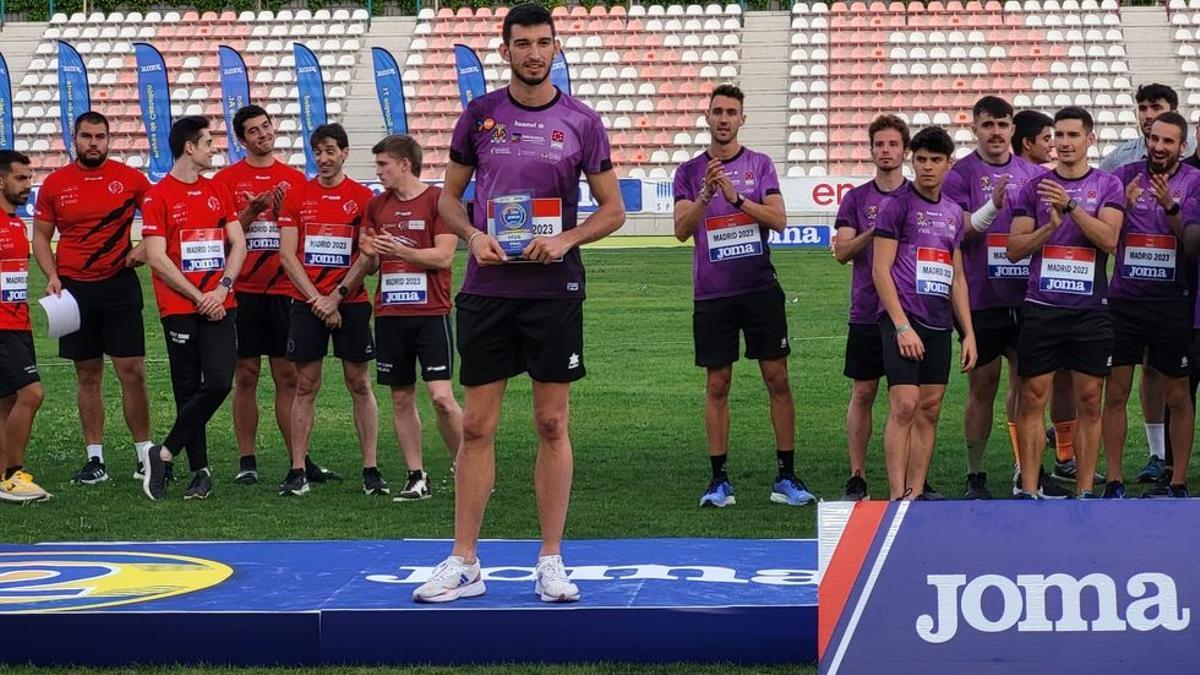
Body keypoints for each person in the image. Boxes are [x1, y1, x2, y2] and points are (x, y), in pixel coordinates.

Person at [411, 3, 625, 604]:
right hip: (488, 287)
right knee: (477, 425)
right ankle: (464, 561)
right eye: (522, 43)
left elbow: (613, 209)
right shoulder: (478, 117)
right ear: (504, 51)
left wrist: (565, 239)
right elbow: (447, 201)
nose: (533, 52)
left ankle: (551, 559)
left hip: (552, 291)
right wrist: (475, 236)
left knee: (552, 423)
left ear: (556, 49)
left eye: (543, 42)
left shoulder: (582, 120)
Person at [673, 84, 811, 509]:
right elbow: (681, 230)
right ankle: (719, 480)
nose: (724, 119)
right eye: (717, 111)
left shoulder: (759, 164)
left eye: (732, 112)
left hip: (759, 289)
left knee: (778, 380)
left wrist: (736, 197)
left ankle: (786, 476)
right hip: (713, 295)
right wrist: (705, 197)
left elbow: (779, 220)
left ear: (742, 119)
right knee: (717, 383)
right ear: (708, 117)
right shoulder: (690, 171)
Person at [942, 97, 1068, 499]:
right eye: (987, 125)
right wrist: (991, 207)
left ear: (1013, 129)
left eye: (1002, 124)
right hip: (981, 298)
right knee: (983, 385)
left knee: (1029, 388)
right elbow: (955, 232)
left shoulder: (1034, 174)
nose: (996, 132)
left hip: (1029, 297)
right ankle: (974, 473)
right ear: (974, 129)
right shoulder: (959, 176)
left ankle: (1024, 470)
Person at [213, 104, 334, 485]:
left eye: (266, 127)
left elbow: (301, 233)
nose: (263, 134)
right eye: (254, 131)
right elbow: (220, 238)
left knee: (288, 378)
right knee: (245, 376)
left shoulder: (294, 178)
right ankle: (247, 460)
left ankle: (298, 460)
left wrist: (282, 213)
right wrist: (252, 211)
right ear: (241, 139)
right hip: (244, 291)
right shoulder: (227, 180)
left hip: (285, 290)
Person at [32, 111, 154, 485]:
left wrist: (145, 247)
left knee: (131, 372)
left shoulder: (131, 179)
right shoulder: (55, 184)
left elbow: (159, 221)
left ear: (109, 139)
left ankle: (144, 456)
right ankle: (95, 459)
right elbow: (39, 236)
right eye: (87, 136)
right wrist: (52, 276)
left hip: (119, 285)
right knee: (87, 374)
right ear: (75, 139)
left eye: (100, 136)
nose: (94, 143)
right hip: (73, 291)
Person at [1008, 106, 1124, 499]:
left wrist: (1072, 208)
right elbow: (1013, 249)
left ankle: (1086, 490)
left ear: (1089, 139)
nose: (1064, 143)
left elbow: (1109, 240)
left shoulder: (1108, 186)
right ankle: (1029, 489)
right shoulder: (1033, 188)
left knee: (1090, 400)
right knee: (1032, 399)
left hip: (1090, 313)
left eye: (1073, 135)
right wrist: (1048, 228)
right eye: (1059, 135)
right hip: (1042, 308)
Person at [140, 117, 247, 500]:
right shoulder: (158, 196)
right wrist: (198, 296)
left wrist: (221, 289)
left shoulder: (218, 190)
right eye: (207, 141)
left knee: (218, 382)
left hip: (221, 303)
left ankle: (163, 453)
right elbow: (156, 258)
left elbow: (239, 244)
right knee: (188, 389)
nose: (213, 147)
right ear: (189, 147)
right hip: (181, 308)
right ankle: (199, 473)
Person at [276, 123, 381, 497]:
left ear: (345, 153)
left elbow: (369, 258)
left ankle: (370, 468)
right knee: (305, 384)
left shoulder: (363, 198)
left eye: (330, 151)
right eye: (318, 152)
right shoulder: (297, 196)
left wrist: (335, 297)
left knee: (359, 383)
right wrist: (317, 300)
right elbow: (287, 255)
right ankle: (298, 469)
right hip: (306, 303)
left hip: (349, 303)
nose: (323, 159)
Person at [872, 126, 976, 501]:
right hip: (904, 320)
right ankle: (896, 495)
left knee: (929, 409)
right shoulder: (896, 206)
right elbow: (880, 270)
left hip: (938, 323)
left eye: (935, 160)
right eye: (921, 160)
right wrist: (901, 326)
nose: (927, 167)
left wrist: (969, 333)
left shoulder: (952, 214)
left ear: (949, 164)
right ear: (911, 161)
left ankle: (915, 494)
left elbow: (958, 277)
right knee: (904, 405)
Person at [1101, 112, 1199, 499]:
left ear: (1182, 146)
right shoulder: (1122, 176)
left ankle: (1177, 481)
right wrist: (1121, 207)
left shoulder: (1193, 182)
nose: (1159, 147)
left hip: (1170, 303)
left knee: (1177, 394)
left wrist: (1170, 207)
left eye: (1168, 141)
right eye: (1155, 139)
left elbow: (1191, 245)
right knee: (1117, 392)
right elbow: (1105, 233)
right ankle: (1114, 479)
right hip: (1124, 302)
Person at [360, 134, 463, 501]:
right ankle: (416, 475)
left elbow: (443, 257)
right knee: (401, 398)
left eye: (383, 164)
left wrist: (401, 249)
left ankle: (467, 464)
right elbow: (372, 266)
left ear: (405, 164)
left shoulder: (438, 202)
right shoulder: (376, 206)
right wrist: (371, 252)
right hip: (390, 314)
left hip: (431, 312)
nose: (379, 172)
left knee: (441, 398)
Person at [832, 114, 909, 501]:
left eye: (893, 144)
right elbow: (841, 252)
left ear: (905, 150)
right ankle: (858, 474)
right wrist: (874, 231)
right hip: (866, 309)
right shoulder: (857, 199)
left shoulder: (918, 196)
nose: (886, 150)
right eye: (879, 144)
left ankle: (912, 478)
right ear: (871, 150)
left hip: (910, 312)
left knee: (907, 399)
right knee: (864, 392)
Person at [0, 151, 49, 503]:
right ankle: (12, 474)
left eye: (29, 178)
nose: (27, 185)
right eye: (20, 178)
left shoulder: (16, 223)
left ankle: (3, 477)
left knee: (6, 401)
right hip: (2, 326)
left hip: (19, 322)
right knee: (32, 393)